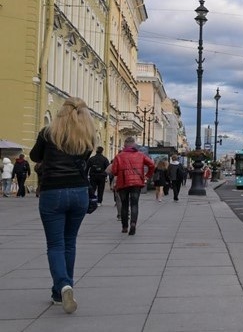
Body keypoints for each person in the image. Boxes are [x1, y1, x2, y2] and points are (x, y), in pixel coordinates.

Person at [29, 97, 95, 313]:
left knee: (55, 244)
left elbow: (35, 156)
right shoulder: (88, 135)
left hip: (53, 192)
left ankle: (63, 286)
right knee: (70, 242)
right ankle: (60, 292)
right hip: (79, 193)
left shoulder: (48, 133)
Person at [108, 136, 154, 235]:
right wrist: (147, 176)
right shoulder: (141, 155)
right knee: (134, 204)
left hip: (123, 183)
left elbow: (114, 171)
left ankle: (124, 227)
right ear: (134, 145)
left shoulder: (119, 156)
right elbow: (152, 165)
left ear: (125, 145)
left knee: (124, 205)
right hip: (136, 183)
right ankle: (133, 224)